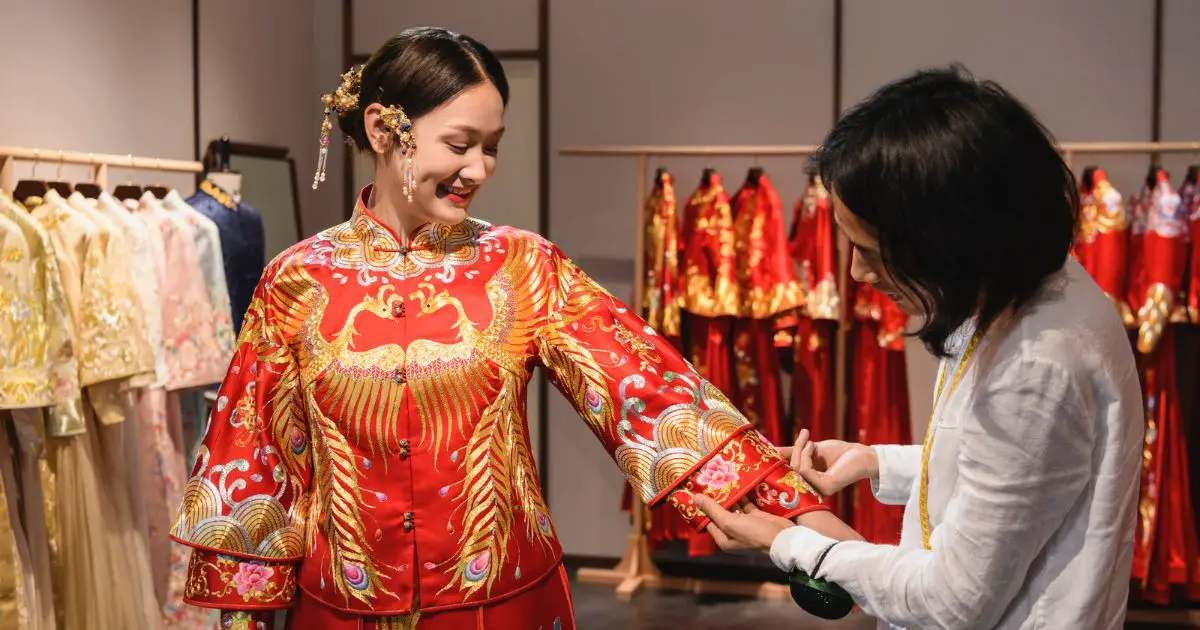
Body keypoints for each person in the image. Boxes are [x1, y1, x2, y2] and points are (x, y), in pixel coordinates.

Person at [169, 27, 858, 630]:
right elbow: (253, 464)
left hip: (504, 603)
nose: (480, 170)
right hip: (340, 609)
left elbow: (649, 393)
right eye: (461, 144)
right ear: (383, 131)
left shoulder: (522, 264)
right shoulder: (296, 280)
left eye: (491, 147)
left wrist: (795, 515)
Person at [694, 65, 1144, 630]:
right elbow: (1012, 469)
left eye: (872, 251)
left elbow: (953, 602)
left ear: (947, 239)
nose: (857, 272)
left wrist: (789, 542)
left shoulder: (1037, 362)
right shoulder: (1024, 287)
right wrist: (874, 461)